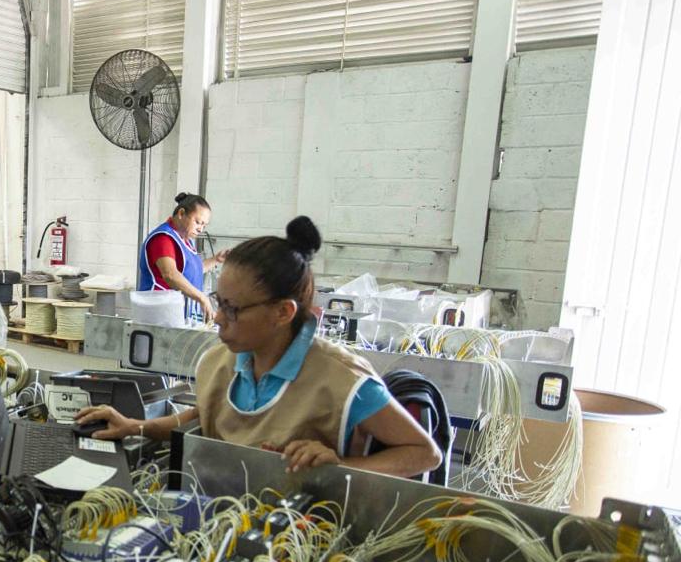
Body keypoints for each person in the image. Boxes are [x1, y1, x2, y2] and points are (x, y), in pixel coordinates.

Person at [80, 216, 441, 478]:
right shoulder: (219, 362)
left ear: (283, 312)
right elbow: (201, 417)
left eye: (232, 309)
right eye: (218, 302)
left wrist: (342, 466)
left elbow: (424, 453)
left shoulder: (342, 380)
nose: (218, 318)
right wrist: (134, 426)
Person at [138, 193, 229, 323]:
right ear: (181, 214)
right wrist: (201, 298)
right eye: (198, 222)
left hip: (178, 314)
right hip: (159, 314)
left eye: (204, 225)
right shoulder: (163, 238)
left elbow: (192, 272)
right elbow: (170, 275)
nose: (200, 229)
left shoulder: (185, 241)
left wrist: (216, 259)